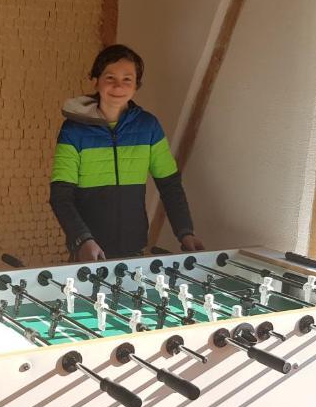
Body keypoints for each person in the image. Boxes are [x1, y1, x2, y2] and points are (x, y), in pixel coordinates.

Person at [49, 44, 204, 261]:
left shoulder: (148, 127)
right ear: (96, 80)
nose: (118, 86)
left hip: (135, 249)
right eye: (110, 77)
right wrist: (82, 240)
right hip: (89, 252)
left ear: (136, 85)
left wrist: (185, 232)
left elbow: (170, 185)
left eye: (127, 79)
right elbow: (60, 195)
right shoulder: (73, 130)